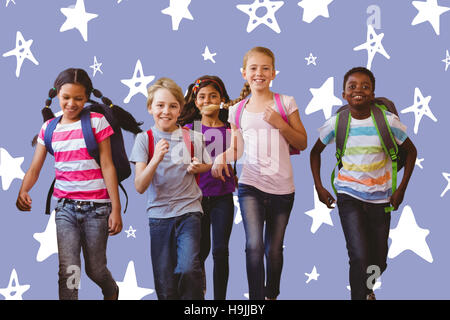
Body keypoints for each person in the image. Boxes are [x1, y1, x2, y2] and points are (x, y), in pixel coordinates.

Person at [15, 68, 142, 300]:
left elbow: (107, 165)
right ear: (57, 96)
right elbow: (35, 168)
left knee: (95, 269)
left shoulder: (96, 121)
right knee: (69, 270)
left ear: (87, 98)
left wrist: (116, 209)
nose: (71, 103)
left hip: (98, 208)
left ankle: (111, 289)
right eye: (66, 98)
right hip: (65, 209)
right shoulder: (49, 129)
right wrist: (24, 189)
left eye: (78, 98)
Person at [309, 67, 417, 300]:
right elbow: (315, 152)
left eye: (365, 86)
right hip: (349, 196)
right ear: (344, 94)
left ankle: (367, 289)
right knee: (358, 255)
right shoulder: (337, 122)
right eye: (352, 86)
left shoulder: (388, 122)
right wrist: (319, 187)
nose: (359, 90)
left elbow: (411, 152)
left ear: (373, 93)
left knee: (378, 260)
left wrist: (401, 190)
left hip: (382, 198)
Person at [212, 47, 307, 300]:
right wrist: (222, 156)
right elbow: (236, 149)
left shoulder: (285, 102)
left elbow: (302, 141)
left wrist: (280, 123)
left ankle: (271, 295)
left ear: (274, 73)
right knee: (253, 246)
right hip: (250, 185)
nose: (259, 73)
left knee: (273, 250)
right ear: (244, 73)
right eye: (253, 68)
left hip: (283, 190)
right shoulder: (237, 111)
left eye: (265, 68)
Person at [129, 77, 212, 300]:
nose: (166, 111)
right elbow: (139, 186)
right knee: (165, 283)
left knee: (188, 268)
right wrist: (155, 158)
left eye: (173, 106)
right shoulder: (143, 139)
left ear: (180, 109)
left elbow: (208, 165)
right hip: (159, 217)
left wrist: (198, 167)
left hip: (189, 212)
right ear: (150, 108)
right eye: (160, 105)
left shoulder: (194, 137)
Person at [178, 75, 236, 300]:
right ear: (194, 100)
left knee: (221, 251)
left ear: (222, 98)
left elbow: (241, 153)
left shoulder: (231, 127)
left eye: (213, 95)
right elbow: (185, 166)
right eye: (202, 96)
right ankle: (197, 297)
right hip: (197, 200)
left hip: (223, 199)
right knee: (199, 252)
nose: (207, 100)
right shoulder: (188, 128)